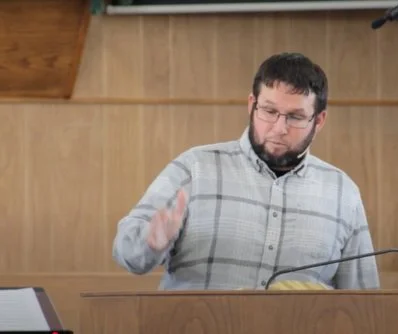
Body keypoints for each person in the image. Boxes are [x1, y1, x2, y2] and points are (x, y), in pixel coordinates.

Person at [112, 52, 380, 290]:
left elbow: (363, 301)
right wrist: (150, 243)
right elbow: (128, 254)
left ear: (318, 120)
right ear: (252, 105)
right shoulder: (195, 168)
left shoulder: (342, 192)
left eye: (295, 117)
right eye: (269, 111)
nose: (279, 128)